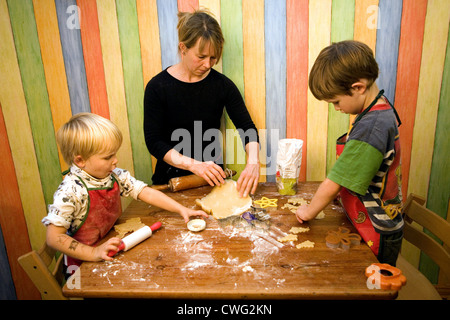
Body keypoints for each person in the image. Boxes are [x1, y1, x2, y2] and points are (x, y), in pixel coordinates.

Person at [42, 113, 208, 278]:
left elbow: (144, 191)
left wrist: (181, 209)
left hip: (110, 244)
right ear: (80, 161)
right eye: (108, 157)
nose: (115, 161)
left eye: (115, 154)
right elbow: (54, 238)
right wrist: (94, 253)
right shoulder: (70, 192)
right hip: (84, 265)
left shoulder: (113, 175)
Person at [296, 40, 404, 266]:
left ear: (358, 87)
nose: (336, 108)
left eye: (336, 101)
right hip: (366, 219)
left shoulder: (372, 125)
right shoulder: (378, 107)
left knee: (369, 288)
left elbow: (336, 179)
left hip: (376, 228)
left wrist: (309, 211)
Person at [144, 9, 260, 197]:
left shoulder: (223, 85)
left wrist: (253, 161)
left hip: (213, 182)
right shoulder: (157, 87)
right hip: (169, 183)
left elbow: (247, 128)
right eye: (201, 57)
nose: (208, 64)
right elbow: (154, 142)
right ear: (183, 48)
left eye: (213, 57)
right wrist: (194, 164)